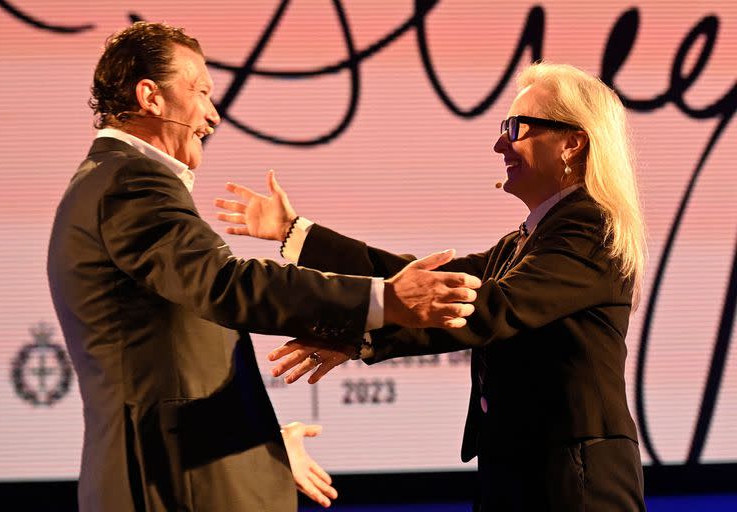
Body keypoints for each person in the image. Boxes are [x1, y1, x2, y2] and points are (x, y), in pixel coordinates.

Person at [46, 22, 482, 512]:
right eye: (202, 92)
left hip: (187, 469)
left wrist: (261, 440)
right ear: (151, 97)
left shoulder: (110, 180)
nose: (212, 115)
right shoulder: (130, 182)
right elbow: (226, 285)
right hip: (175, 483)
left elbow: (165, 357)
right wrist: (383, 299)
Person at [216, 62, 648, 511]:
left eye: (516, 128)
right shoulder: (526, 239)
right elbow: (419, 281)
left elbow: (492, 310)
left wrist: (360, 334)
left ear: (572, 143)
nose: (500, 142)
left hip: (576, 478)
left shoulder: (590, 227)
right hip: (527, 467)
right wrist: (296, 233)